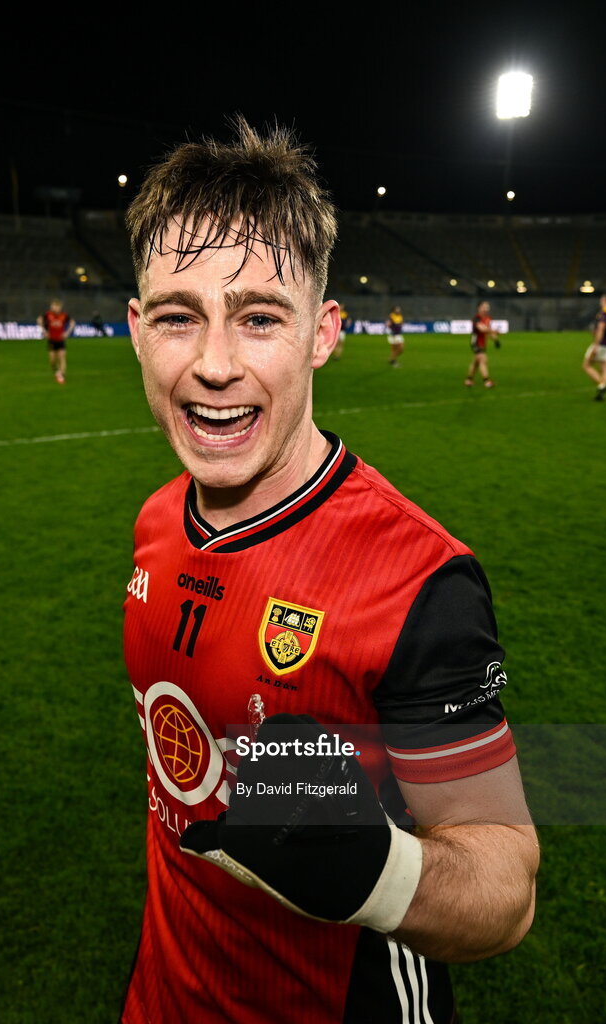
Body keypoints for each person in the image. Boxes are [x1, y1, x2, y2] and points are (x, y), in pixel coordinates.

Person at [121, 118, 538, 1024]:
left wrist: (380, 873)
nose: (214, 365)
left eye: (260, 317)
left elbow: (506, 885)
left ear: (323, 334)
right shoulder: (157, 520)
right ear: (136, 331)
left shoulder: (418, 580)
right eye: (177, 316)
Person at [583, 293, 606, 400]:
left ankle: (602, 385)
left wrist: (596, 344)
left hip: (602, 343)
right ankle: (601, 395)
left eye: (602, 299)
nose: (600, 301)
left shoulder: (604, 313)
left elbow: (601, 330)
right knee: (604, 367)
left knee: (587, 365)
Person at [37, 299, 75, 383]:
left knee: (62, 357)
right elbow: (39, 320)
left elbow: (72, 323)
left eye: (57, 306)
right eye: (54, 306)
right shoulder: (48, 314)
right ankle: (57, 371)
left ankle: (62, 376)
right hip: (51, 340)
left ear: (60, 307)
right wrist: (44, 331)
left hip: (60, 340)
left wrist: (67, 332)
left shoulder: (64, 315)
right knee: (52, 361)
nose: (55, 308)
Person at [464, 300, 497, 388]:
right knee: (483, 359)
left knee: (476, 363)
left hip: (483, 343)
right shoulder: (476, 318)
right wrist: (493, 331)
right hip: (475, 342)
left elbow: (488, 332)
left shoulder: (488, 319)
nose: (486, 309)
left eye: (487, 307)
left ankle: (468, 380)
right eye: (484, 307)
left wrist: (495, 340)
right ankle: (487, 381)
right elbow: (482, 329)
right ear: (479, 308)